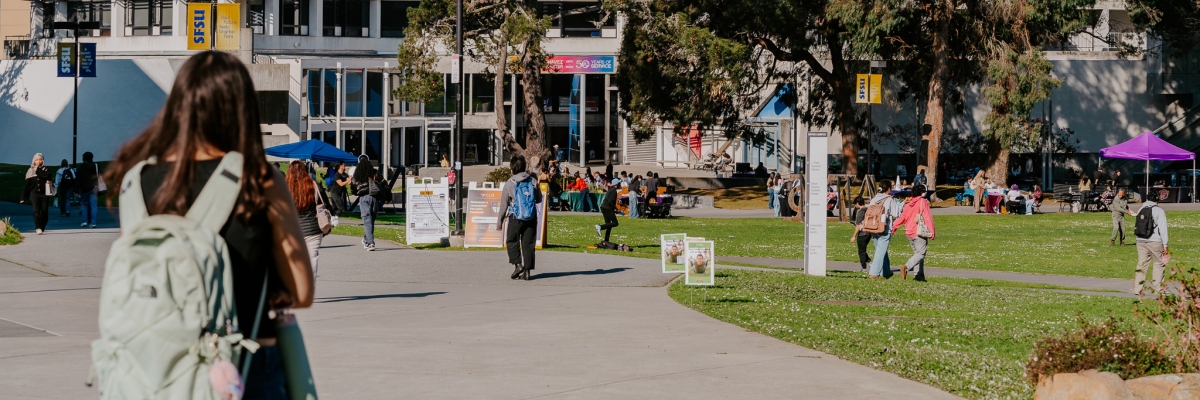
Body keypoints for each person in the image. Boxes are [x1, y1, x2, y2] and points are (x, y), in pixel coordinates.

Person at [102, 51, 313, 398]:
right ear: (242, 108)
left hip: (153, 370)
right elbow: (302, 292)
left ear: (179, 106)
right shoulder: (259, 179)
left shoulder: (135, 181)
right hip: (243, 367)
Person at [499, 154, 541, 280]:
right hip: (531, 217)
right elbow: (538, 199)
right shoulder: (532, 180)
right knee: (528, 244)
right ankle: (527, 272)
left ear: (512, 167)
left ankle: (518, 265)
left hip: (516, 217)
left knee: (512, 241)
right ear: (524, 166)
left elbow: (504, 204)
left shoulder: (510, 183)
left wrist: (499, 221)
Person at [288, 161, 325, 277]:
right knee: (312, 260)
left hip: (293, 231)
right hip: (313, 230)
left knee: (294, 262)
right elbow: (325, 204)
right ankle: (310, 291)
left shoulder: (285, 188)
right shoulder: (314, 185)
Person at [892, 185, 936, 281]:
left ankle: (919, 276)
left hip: (909, 232)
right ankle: (906, 267)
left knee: (917, 254)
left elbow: (901, 218)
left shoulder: (908, 204)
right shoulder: (922, 202)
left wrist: (893, 228)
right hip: (919, 232)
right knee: (921, 254)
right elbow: (927, 217)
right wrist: (932, 231)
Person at [1133, 191, 1169, 295]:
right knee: (1159, 263)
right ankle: (1158, 288)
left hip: (1140, 240)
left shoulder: (1141, 209)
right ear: (1157, 199)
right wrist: (1165, 244)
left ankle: (1137, 289)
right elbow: (1163, 229)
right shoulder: (1159, 210)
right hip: (1155, 241)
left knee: (1142, 264)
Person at [868, 179, 902, 278]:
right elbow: (896, 213)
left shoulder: (874, 199)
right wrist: (901, 204)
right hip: (884, 228)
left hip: (873, 226)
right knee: (880, 251)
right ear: (888, 189)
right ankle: (874, 273)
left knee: (881, 249)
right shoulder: (889, 199)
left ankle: (886, 271)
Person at [20, 153, 52, 235]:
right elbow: (27, 184)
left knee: (44, 211)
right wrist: (23, 197)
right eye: (37, 160)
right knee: (36, 210)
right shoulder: (30, 170)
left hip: (44, 193)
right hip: (34, 193)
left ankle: (42, 226)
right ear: (34, 161)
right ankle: (38, 227)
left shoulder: (46, 169)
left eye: (40, 159)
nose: (39, 161)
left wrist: (37, 170)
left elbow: (47, 176)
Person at [353, 155, 379, 251]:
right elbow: (383, 182)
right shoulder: (374, 172)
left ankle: (370, 242)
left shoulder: (357, 174)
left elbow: (353, 186)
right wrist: (388, 196)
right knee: (371, 219)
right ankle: (368, 240)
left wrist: (357, 192)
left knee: (367, 219)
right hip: (375, 197)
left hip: (364, 197)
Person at [77, 151, 101, 228]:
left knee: (84, 205)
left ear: (84, 159)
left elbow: (78, 179)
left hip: (84, 189)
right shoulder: (96, 166)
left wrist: (77, 190)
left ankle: (85, 221)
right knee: (94, 206)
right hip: (94, 187)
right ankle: (93, 222)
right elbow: (102, 174)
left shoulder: (81, 167)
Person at [848, 196, 871, 272]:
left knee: (861, 252)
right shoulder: (867, 210)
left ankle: (864, 268)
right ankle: (870, 262)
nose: (855, 205)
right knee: (863, 250)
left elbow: (858, 226)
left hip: (862, 234)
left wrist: (853, 236)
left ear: (858, 203)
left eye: (855, 204)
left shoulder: (860, 212)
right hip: (869, 233)